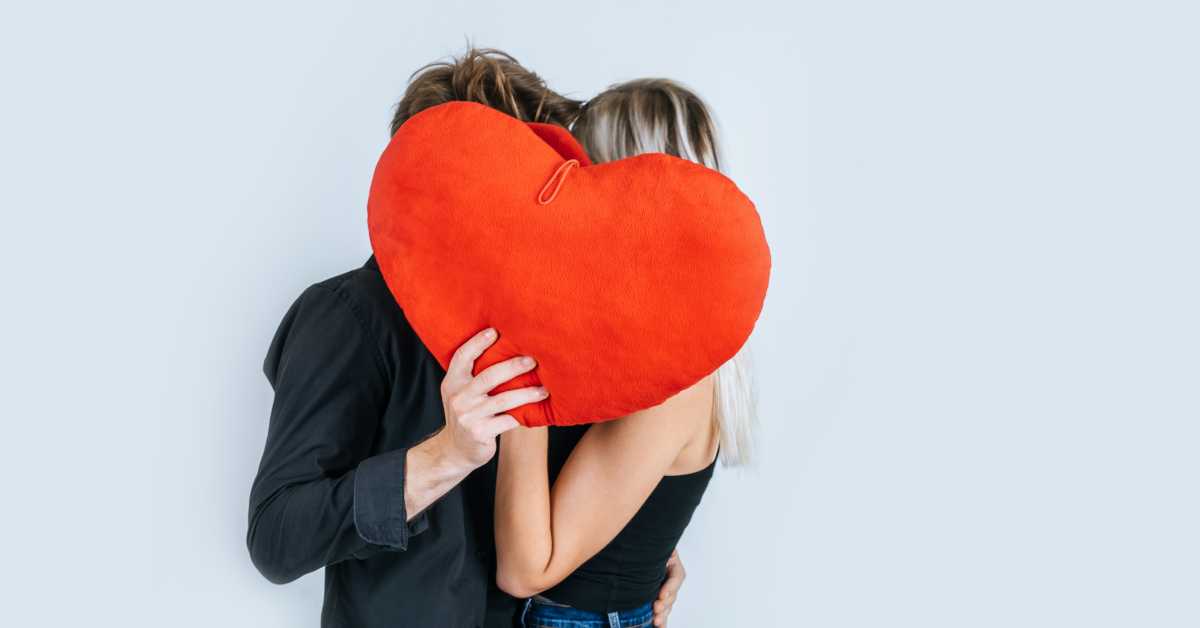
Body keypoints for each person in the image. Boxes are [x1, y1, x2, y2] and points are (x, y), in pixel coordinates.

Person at [246, 51, 686, 627]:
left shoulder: (549, 314)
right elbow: (276, 538)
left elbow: (573, 481)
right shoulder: (347, 316)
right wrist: (443, 457)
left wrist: (639, 555)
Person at [494, 79, 757, 628]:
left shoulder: (678, 379)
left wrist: (520, 362)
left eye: (586, 176)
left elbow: (526, 570)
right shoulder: (639, 342)